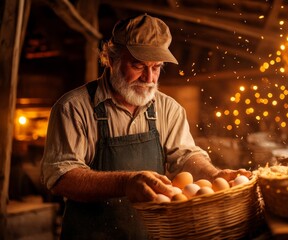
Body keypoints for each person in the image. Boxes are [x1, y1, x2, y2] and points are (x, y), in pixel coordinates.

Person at [41, 14, 251, 240]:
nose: (149, 77)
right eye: (138, 65)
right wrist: (127, 182)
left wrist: (214, 174)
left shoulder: (168, 108)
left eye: (157, 67)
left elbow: (185, 156)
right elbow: (61, 177)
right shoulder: (73, 108)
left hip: (150, 234)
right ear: (111, 59)